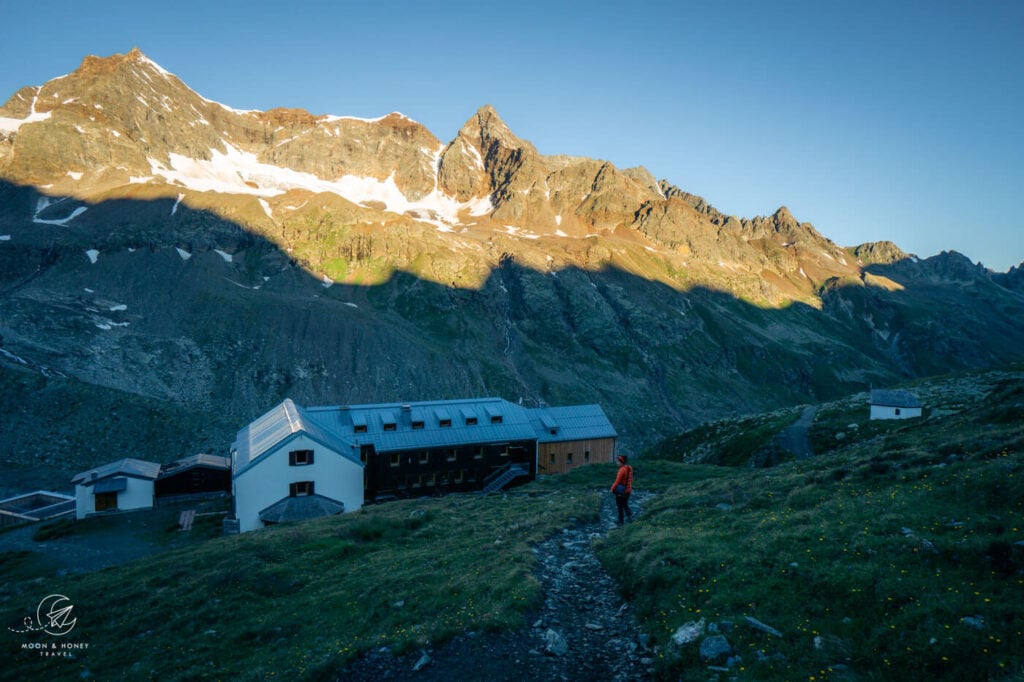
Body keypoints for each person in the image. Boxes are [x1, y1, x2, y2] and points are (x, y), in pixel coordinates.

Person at [610, 454, 633, 524]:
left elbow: (617, 481)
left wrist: (612, 489)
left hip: (622, 491)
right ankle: (629, 516)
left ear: (621, 462)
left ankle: (621, 520)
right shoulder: (629, 468)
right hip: (628, 490)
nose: (616, 463)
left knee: (619, 505)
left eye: (618, 461)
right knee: (625, 504)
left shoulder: (621, 470)